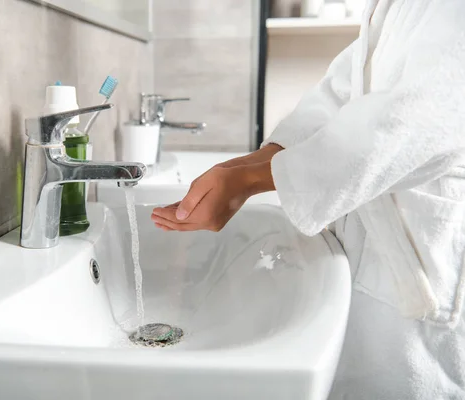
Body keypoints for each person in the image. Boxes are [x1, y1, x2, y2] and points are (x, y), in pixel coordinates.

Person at [151, 1, 465, 398]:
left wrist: (250, 179)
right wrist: (245, 168)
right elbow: (342, 92)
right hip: (374, 250)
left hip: (427, 264)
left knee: (410, 380)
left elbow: (422, 116)